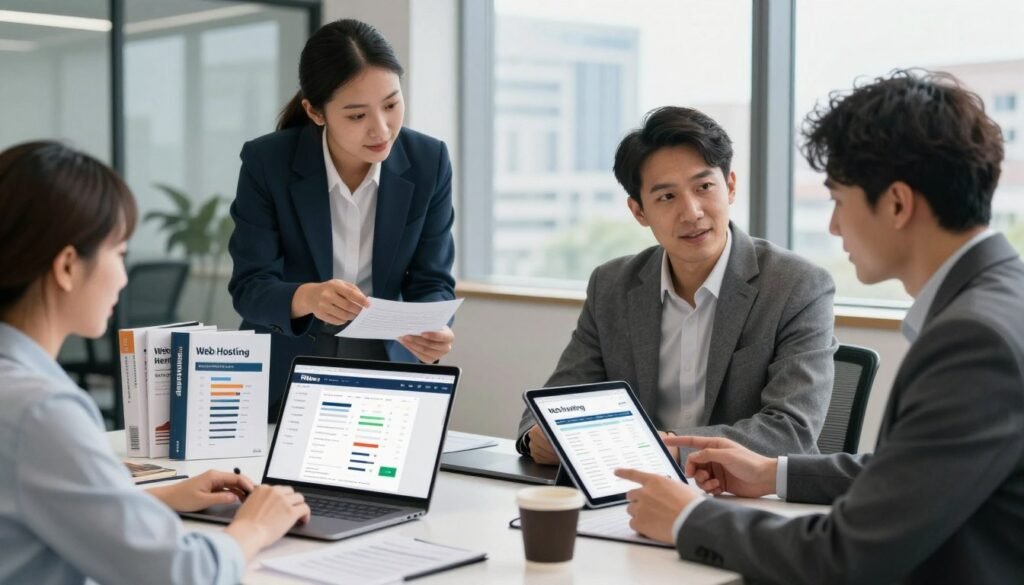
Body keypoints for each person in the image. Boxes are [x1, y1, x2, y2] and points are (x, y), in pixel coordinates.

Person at [617, 70, 1024, 584]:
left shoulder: (974, 341)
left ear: (896, 204)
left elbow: (847, 557)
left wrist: (688, 518)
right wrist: (774, 473)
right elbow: (917, 471)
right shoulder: (1002, 302)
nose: (833, 226)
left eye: (838, 200)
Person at [0, 141, 311, 584]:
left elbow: (31, 499)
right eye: (119, 254)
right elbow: (178, 574)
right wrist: (254, 527)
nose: (124, 278)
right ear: (68, 266)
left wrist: (159, 497)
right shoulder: (40, 412)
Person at [517, 106, 837, 464]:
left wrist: (655, 447)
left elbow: (789, 431)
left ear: (730, 186)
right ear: (639, 211)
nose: (692, 212)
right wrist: (536, 438)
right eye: (666, 197)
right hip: (633, 492)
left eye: (704, 187)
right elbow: (550, 406)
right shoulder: (611, 286)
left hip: (746, 500)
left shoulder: (797, 286)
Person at [228, 19, 456, 419]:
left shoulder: (428, 161)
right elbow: (250, 287)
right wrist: (308, 297)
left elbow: (432, 279)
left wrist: (432, 325)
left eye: (391, 104)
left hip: (387, 361)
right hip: (285, 366)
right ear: (315, 112)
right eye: (356, 116)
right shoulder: (268, 162)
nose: (381, 129)